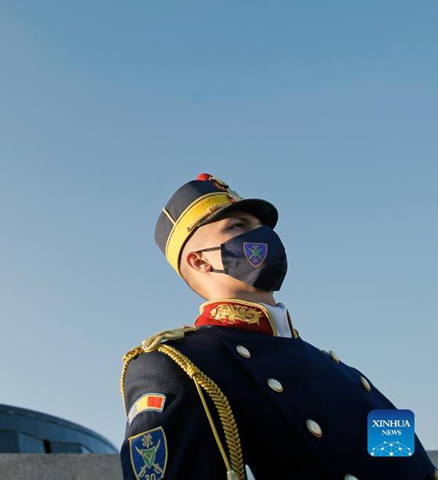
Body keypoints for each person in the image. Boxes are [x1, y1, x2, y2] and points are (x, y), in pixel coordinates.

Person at [119, 173, 437, 480]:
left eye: (261, 226)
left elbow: (411, 464)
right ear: (200, 261)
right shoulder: (176, 366)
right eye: (238, 226)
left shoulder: (348, 376)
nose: (262, 236)